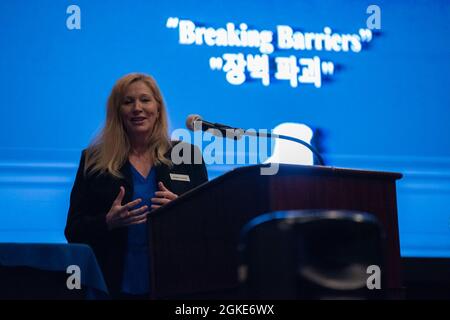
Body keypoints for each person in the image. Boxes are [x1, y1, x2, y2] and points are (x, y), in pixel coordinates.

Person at [64, 73, 208, 299]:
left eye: (145, 100)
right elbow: (73, 231)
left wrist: (181, 211)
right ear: (117, 112)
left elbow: (209, 226)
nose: (137, 108)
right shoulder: (93, 160)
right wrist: (108, 222)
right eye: (128, 101)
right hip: (110, 284)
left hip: (176, 282)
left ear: (158, 108)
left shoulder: (188, 156)